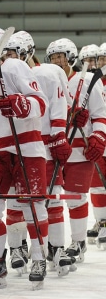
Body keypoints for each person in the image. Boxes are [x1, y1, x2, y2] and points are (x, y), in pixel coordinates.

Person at [0, 27, 49, 290]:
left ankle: (38, 258)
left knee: (32, 206)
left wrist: (21, 104)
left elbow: (40, 102)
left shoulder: (14, 67)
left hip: (25, 146)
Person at [2, 31, 76, 277]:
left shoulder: (48, 73)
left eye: (14, 53)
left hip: (42, 145)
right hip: (14, 146)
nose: (10, 58)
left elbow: (59, 106)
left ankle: (56, 248)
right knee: (15, 202)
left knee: (52, 199)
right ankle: (17, 248)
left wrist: (58, 136)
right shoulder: (4, 75)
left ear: (28, 51)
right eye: (7, 54)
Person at [45, 38, 106, 262]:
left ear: (71, 57)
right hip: (54, 147)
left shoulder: (89, 79)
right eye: (53, 57)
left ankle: (78, 242)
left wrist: (98, 137)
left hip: (80, 147)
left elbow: (100, 113)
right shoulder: (49, 80)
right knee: (52, 199)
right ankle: (54, 245)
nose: (57, 61)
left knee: (75, 197)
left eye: (61, 56)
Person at [78, 44, 106, 247]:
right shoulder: (92, 82)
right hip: (99, 137)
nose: (100, 62)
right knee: (97, 184)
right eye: (100, 59)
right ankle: (102, 221)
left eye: (104, 58)